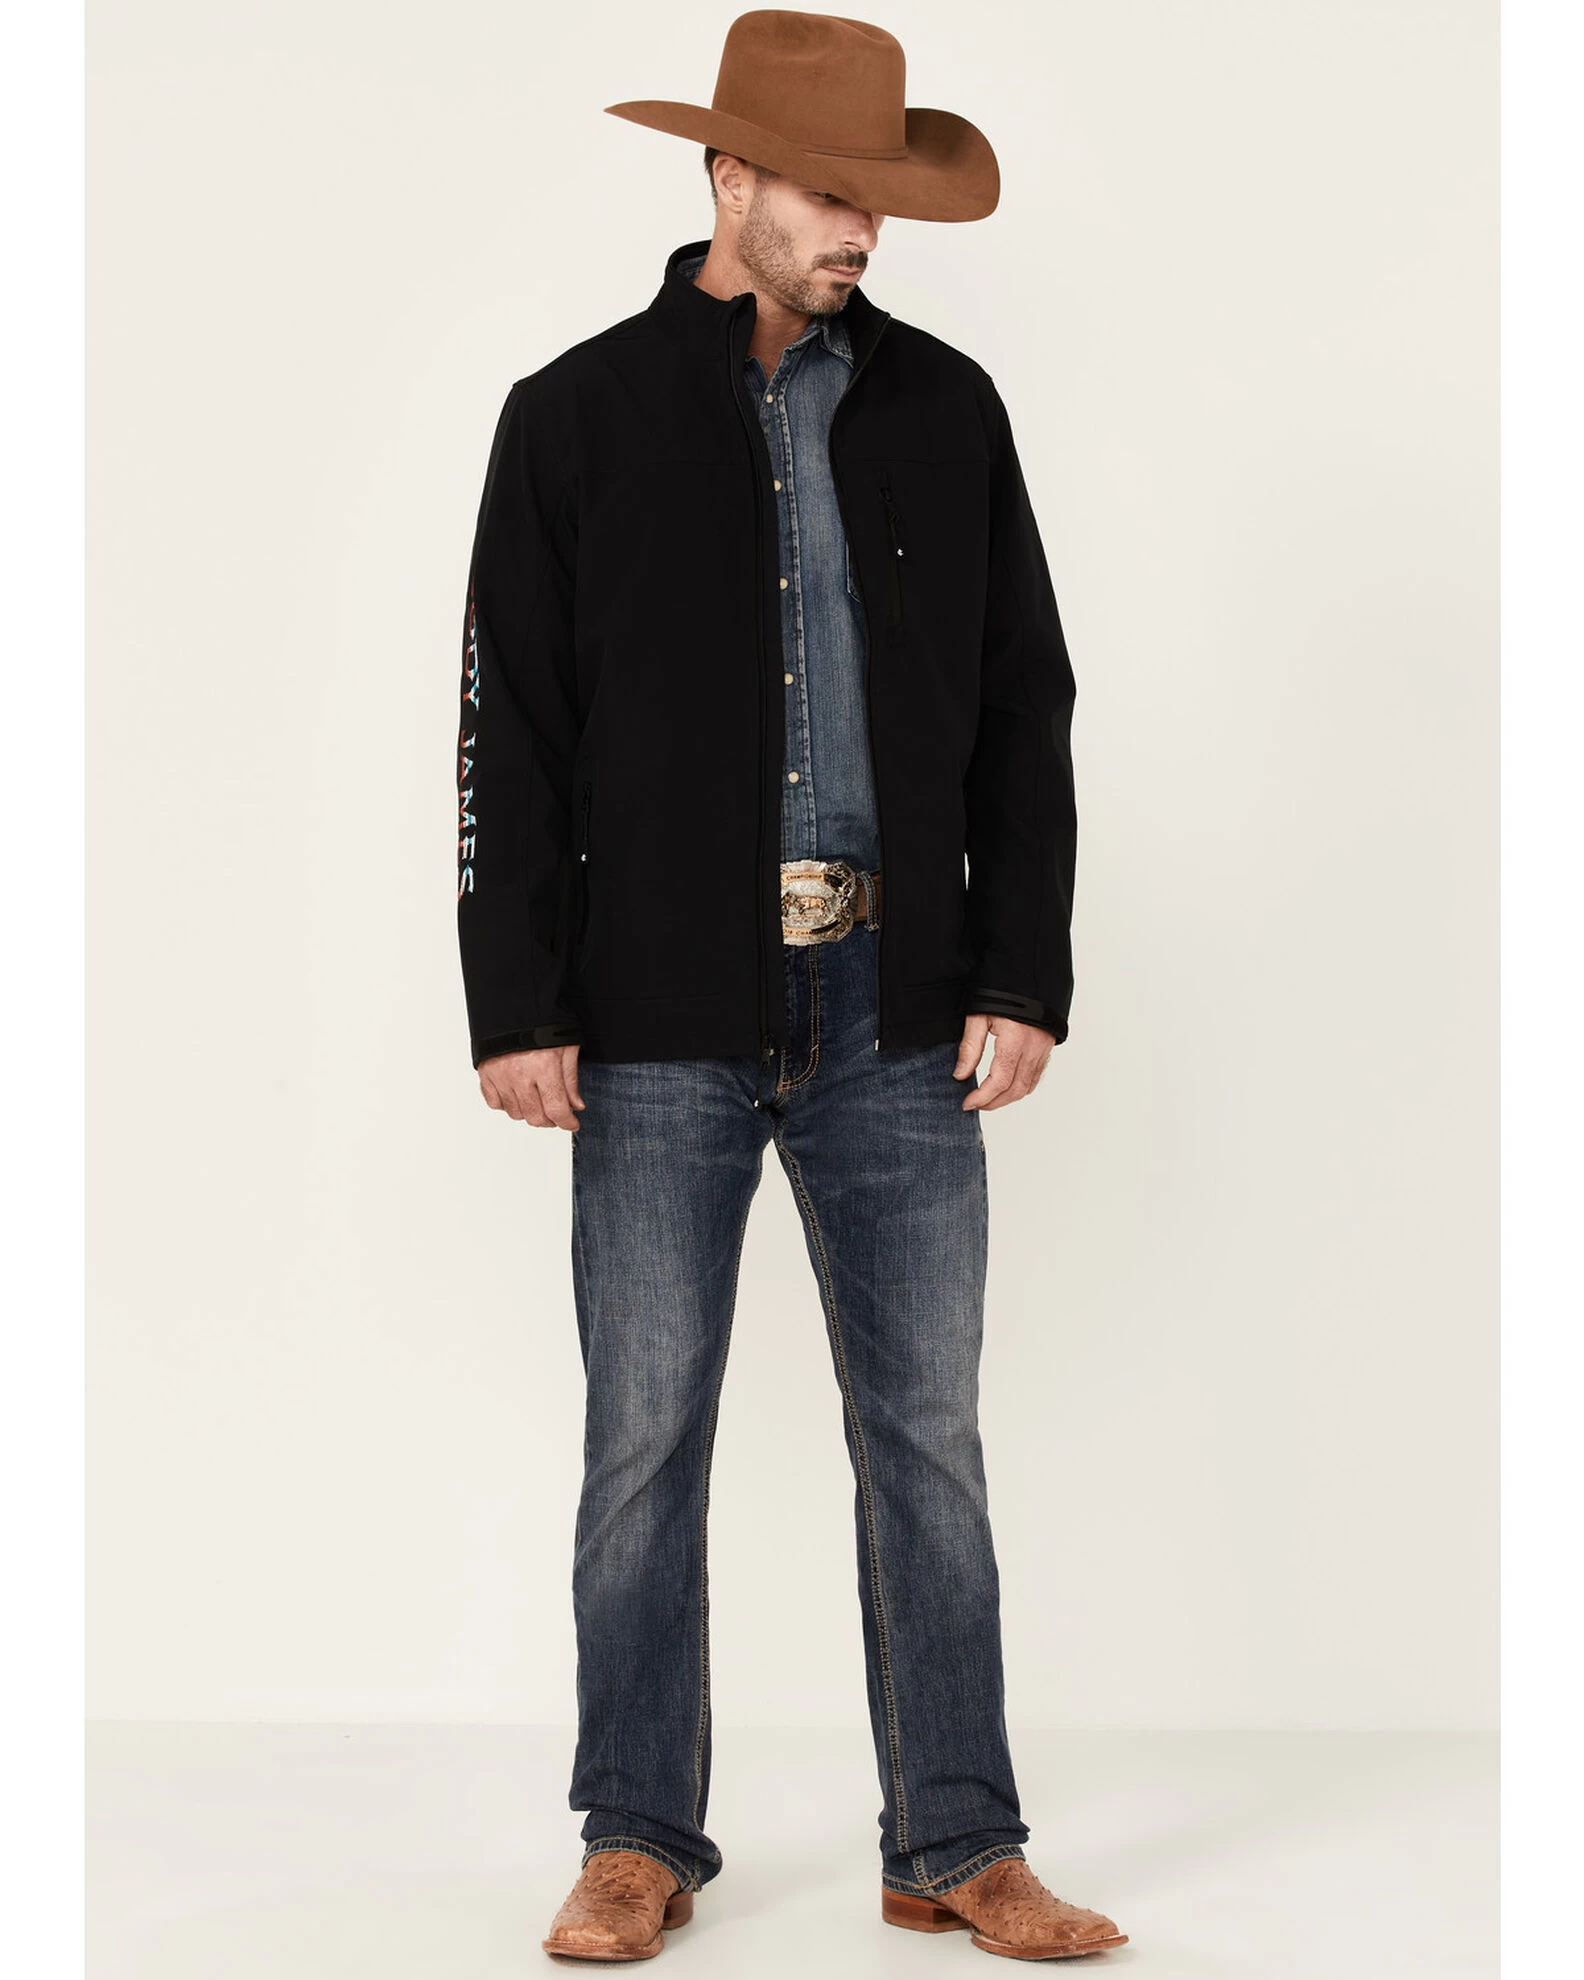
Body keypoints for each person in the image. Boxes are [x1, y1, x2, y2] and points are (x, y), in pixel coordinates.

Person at [455, 9, 1126, 1963]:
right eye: (831, 194)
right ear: (725, 179)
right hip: (652, 1011)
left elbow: (1024, 704)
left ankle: (957, 1842)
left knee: (927, 1435)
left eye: (877, 202)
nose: (859, 232)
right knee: (645, 1439)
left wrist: (1024, 966)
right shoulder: (572, 417)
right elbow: (511, 729)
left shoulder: (948, 410)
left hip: (899, 1009)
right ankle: (635, 1837)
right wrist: (518, 998)